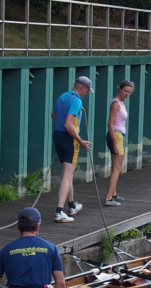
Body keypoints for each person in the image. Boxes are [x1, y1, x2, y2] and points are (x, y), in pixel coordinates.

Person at [51, 76, 94, 223]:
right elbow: (68, 124)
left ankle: (71, 205)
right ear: (82, 88)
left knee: (66, 173)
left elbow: (53, 115)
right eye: (87, 91)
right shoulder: (76, 101)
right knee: (67, 175)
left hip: (58, 137)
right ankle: (59, 211)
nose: (87, 93)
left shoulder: (62, 97)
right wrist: (81, 141)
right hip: (69, 139)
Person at [105, 79, 135, 206]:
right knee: (117, 168)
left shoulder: (121, 103)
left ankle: (114, 194)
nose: (127, 94)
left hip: (119, 134)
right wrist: (115, 142)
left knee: (117, 167)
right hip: (116, 135)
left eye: (129, 92)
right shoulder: (116, 104)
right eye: (125, 91)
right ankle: (108, 198)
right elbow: (110, 124)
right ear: (119, 89)